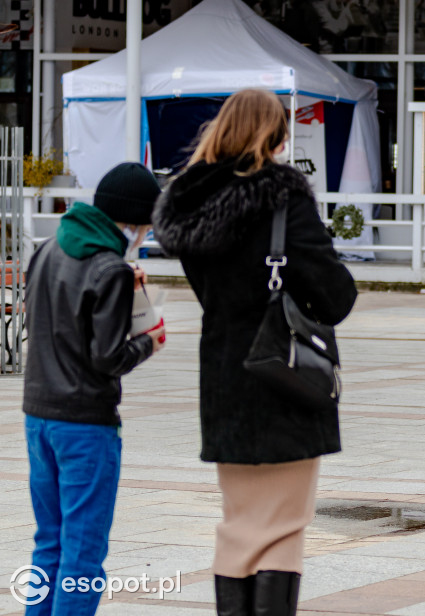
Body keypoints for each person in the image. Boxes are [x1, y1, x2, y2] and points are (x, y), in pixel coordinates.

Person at [153, 89, 357, 616]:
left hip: (224, 381)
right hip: (283, 380)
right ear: (274, 135)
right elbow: (336, 297)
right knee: (284, 527)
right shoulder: (283, 199)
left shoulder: (190, 205)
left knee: (238, 524)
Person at [23, 162, 166, 615]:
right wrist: (149, 341)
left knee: (49, 544)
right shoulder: (111, 269)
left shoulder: (47, 249)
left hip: (38, 415)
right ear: (133, 222)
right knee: (83, 555)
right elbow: (108, 359)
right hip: (85, 425)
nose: (143, 234)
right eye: (144, 226)